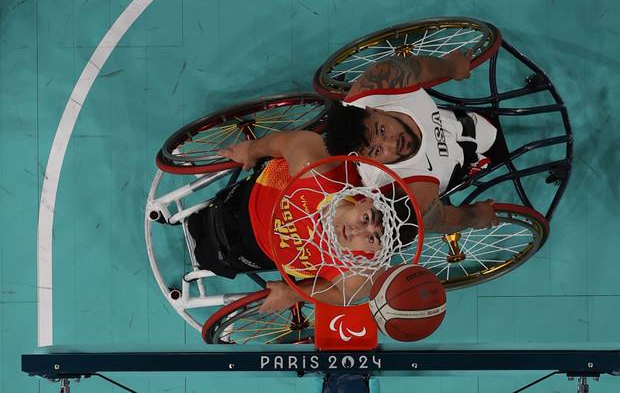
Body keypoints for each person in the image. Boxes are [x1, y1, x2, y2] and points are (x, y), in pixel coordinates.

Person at [189, 130, 417, 312]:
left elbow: (342, 295)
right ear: (365, 200)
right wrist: (251, 148)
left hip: (249, 253)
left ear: (376, 251)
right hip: (238, 203)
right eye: (367, 218)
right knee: (194, 222)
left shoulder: (359, 274)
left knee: (206, 258)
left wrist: (292, 293)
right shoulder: (318, 170)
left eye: (371, 238)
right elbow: (289, 142)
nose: (356, 231)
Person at [324, 50, 501, 233]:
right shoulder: (410, 191)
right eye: (377, 150)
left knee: (486, 130)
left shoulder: (382, 81)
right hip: (457, 162)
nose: (392, 144)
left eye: (382, 130)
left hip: (454, 122)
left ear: (374, 110)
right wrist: (474, 216)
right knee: (492, 141)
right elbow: (437, 219)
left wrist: (451, 67)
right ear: (363, 159)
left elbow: (417, 67)